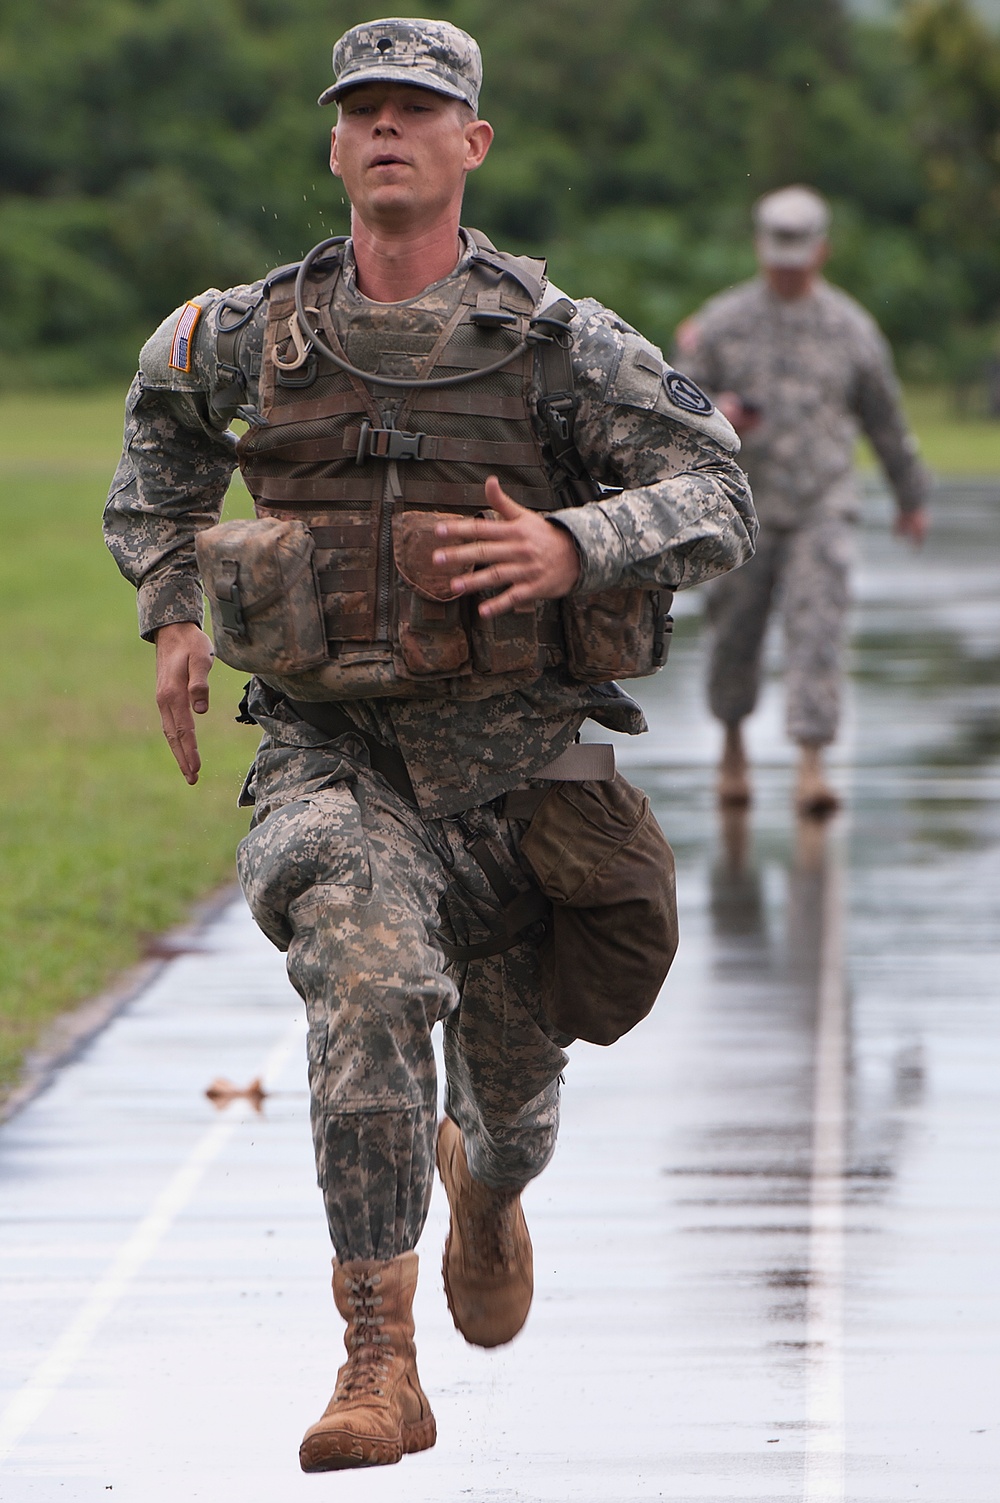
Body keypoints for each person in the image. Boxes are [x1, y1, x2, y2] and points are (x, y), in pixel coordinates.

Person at [104, 17, 756, 1473]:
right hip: (333, 757)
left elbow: (719, 492)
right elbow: (155, 457)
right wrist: (172, 616)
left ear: (473, 142)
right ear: (335, 146)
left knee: (514, 1104)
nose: (388, 127)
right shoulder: (241, 337)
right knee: (372, 969)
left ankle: (487, 1184)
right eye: (363, 110)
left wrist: (573, 543)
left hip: (527, 785)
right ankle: (378, 1361)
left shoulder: (556, 342)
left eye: (420, 107)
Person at [676, 185, 929, 816]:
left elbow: (886, 421)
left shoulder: (852, 329)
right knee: (735, 632)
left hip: (823, 503)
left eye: (799, 252)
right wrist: (718, 412)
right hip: (742, 509)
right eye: (777, 251)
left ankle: (812, 764)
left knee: (818, 628)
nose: (787, 265)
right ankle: (732, 745)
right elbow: (673, 400)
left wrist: (911, 496)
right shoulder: (723, 322)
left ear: (821, 252)